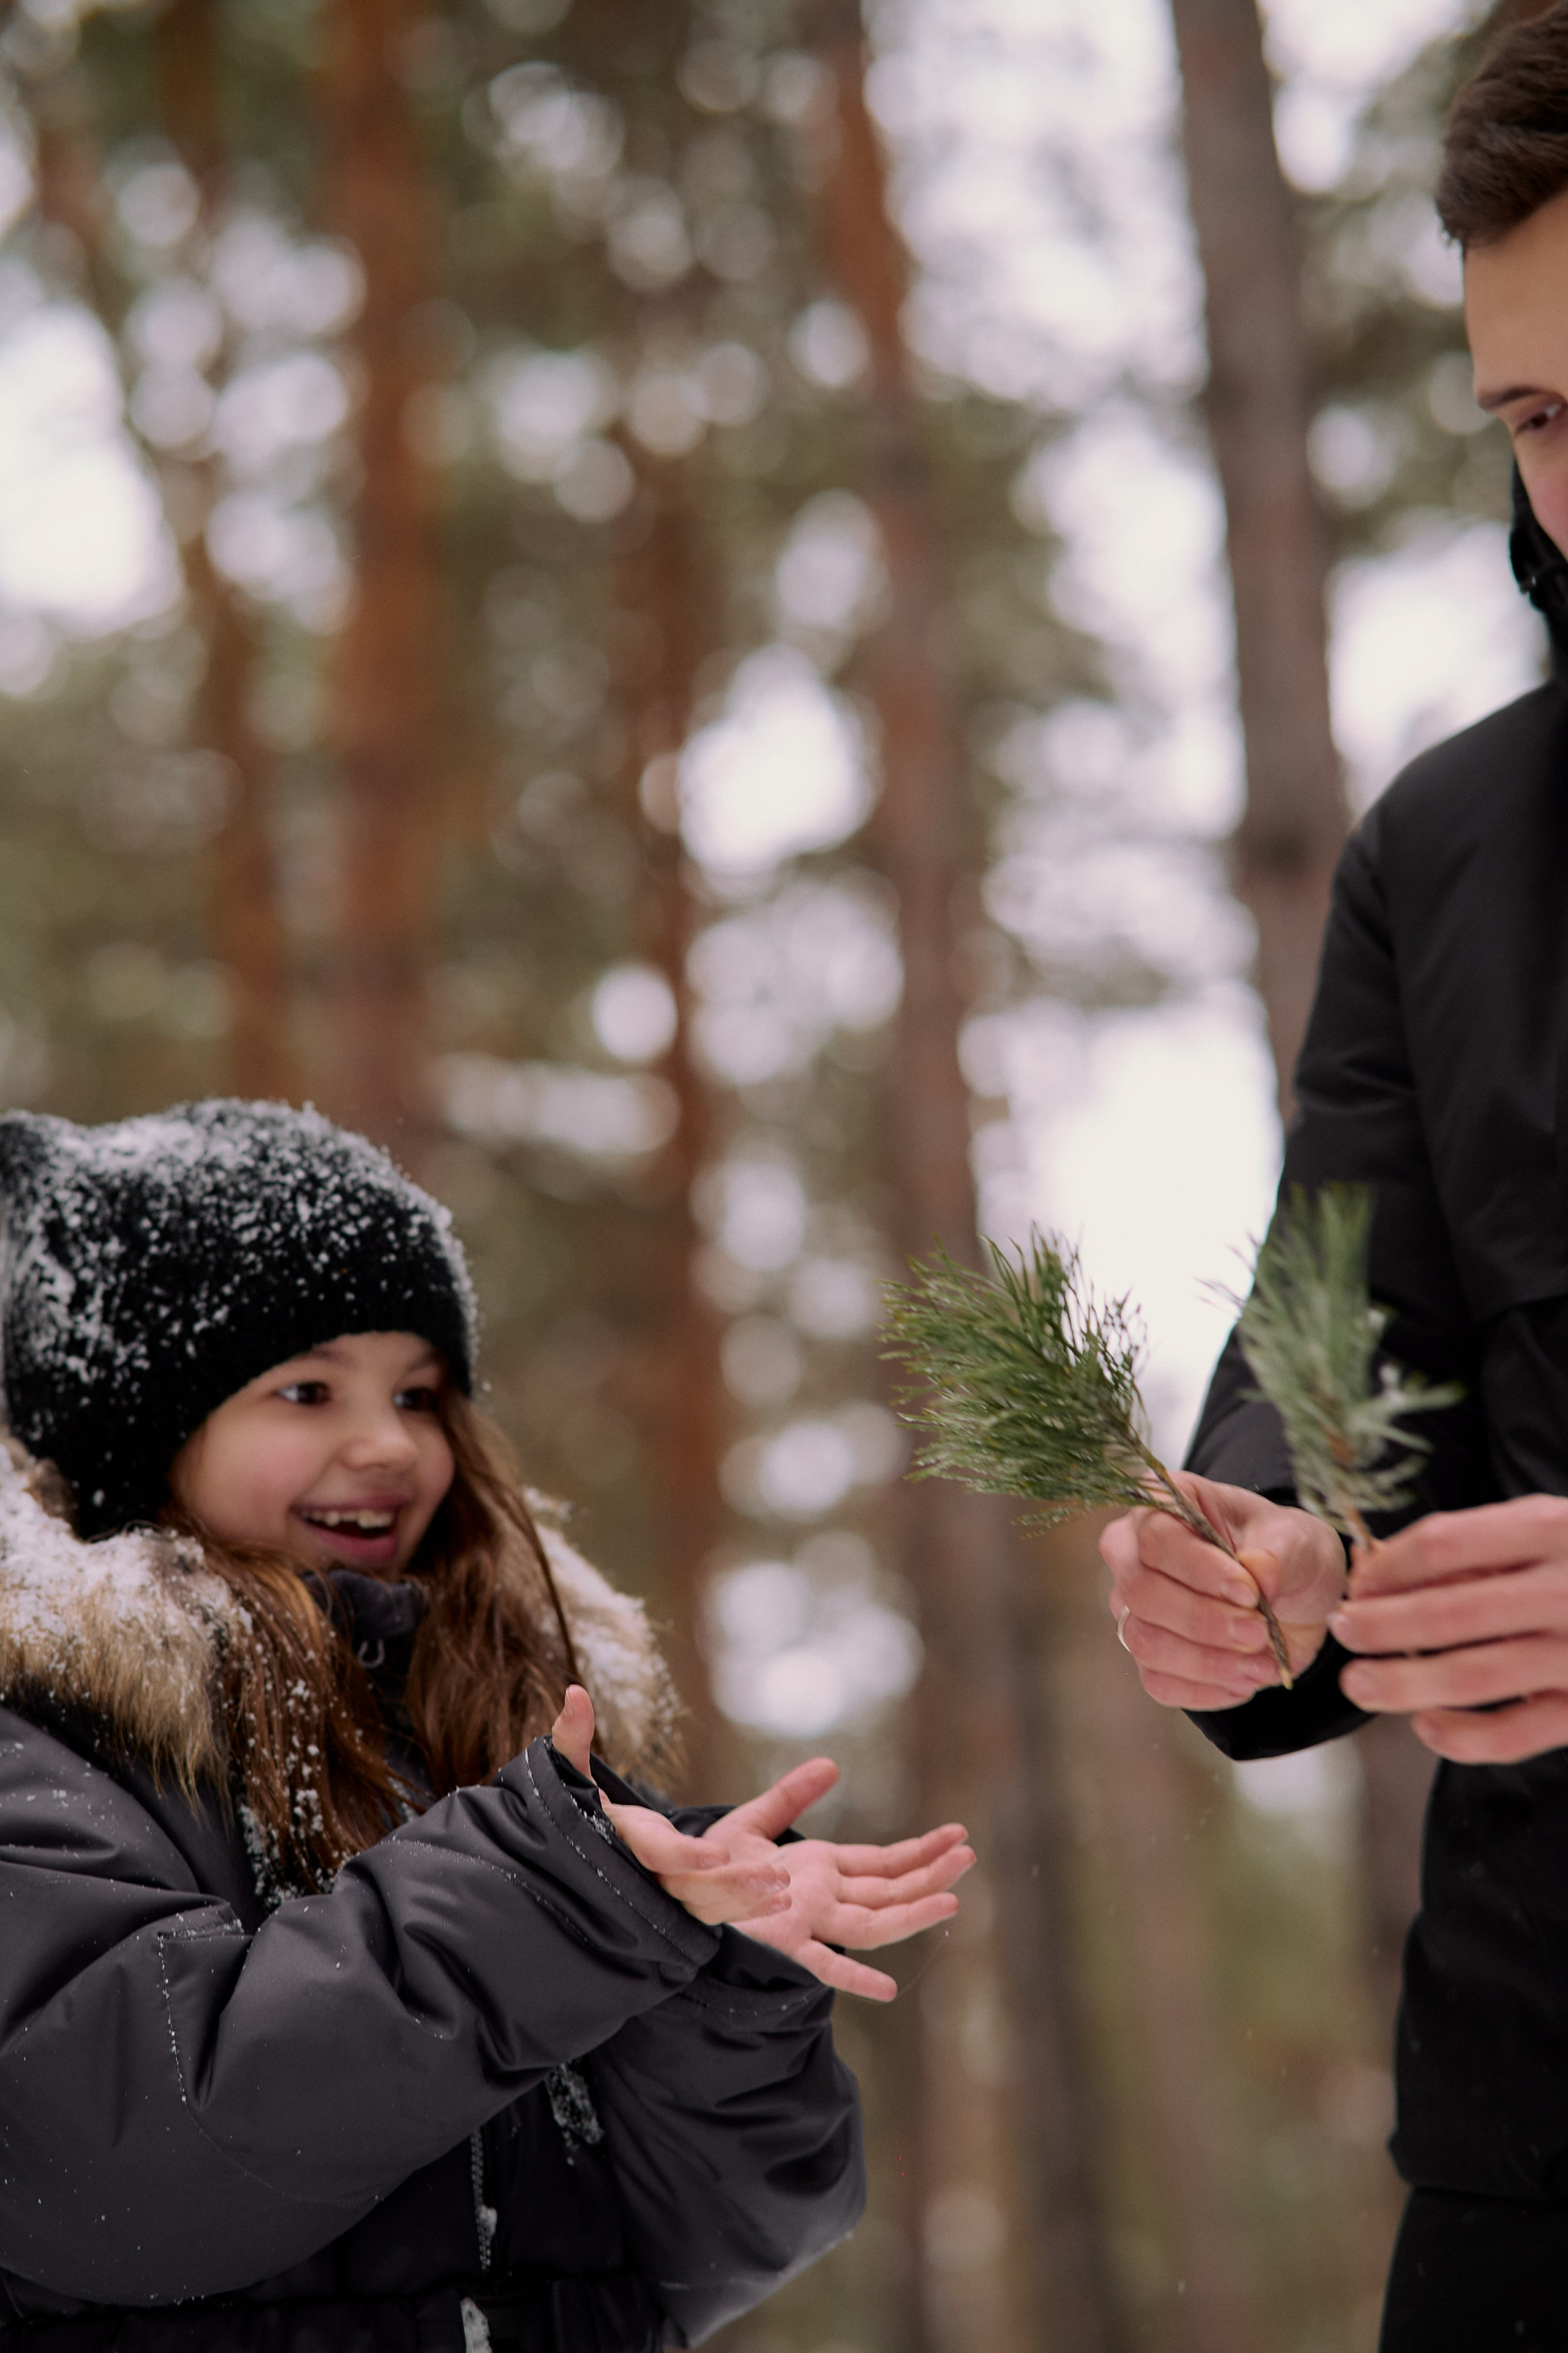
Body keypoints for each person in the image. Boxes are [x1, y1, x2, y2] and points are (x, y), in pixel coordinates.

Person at [0, 1099, 973, 2353]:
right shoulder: (43, 1745)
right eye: (306, 1389)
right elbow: (119, 2170)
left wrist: (713, 1973)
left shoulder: (491, 1714)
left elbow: (712, 2252)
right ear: (136, 1428)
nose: (388, 1444)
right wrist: (551, 1903)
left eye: (420, 1391)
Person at [1099, 9, 1568, 2349]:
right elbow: (1339, 1340)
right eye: (1544, 419)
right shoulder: (1453, 852)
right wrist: (1264, 1548)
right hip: (1541, 2133)